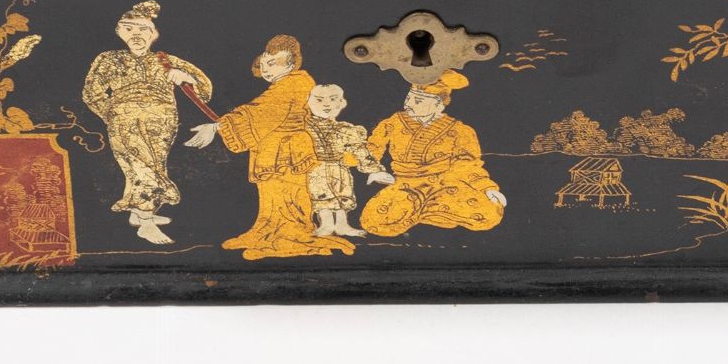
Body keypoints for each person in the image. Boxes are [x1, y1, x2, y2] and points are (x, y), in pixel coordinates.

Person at [183, 34, 350, 260]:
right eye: (263, 65)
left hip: (289, 149)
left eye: (272, 63)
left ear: (291, 62)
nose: (266, 70)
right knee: (271, 198)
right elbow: (260, 110)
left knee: (288, 197)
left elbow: (263, 111)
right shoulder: (284, 83)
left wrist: (216, 127)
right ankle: (265, 233)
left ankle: (289, 238)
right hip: (272, 147)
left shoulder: (294, 83)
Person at [78, 1, 213, 244]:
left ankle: (138, 214)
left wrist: (186, 77)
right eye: (129, 29)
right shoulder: (109, 59)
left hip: (163, 124)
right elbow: (91, 93)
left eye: (143, 29)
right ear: (119, 31)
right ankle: (146, 223)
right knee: (143, 168)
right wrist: (114, 114)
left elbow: (205, 90)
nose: (136, 35)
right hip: (125, 121)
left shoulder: (166, 60)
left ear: (154, 34)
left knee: (152, 167)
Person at [359, 72, 507, 237]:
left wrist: (487, 188)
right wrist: (375, 170)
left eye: (418, 100)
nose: (408, 104)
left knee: (490, 212)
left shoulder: (460, 130)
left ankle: (418, 214)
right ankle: (426, 213)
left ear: (438, 104)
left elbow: (467, 165)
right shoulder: (393, 122)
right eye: (408, 98)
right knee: (373, 220)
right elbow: (372, 148)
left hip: (445, 186)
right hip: (406, 185)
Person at [302, 83, 379, 240]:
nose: (326, 104)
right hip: (316, 169)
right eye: (319, 100)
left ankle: (343, 225)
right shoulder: (304, 127)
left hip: (339, 168)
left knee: (343, 196)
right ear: (308, 102)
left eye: (332, 99)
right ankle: (326, 225)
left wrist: (373, 169)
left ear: (341, 103)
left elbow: (359, 149)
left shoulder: (346, 129)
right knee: (321, 196)